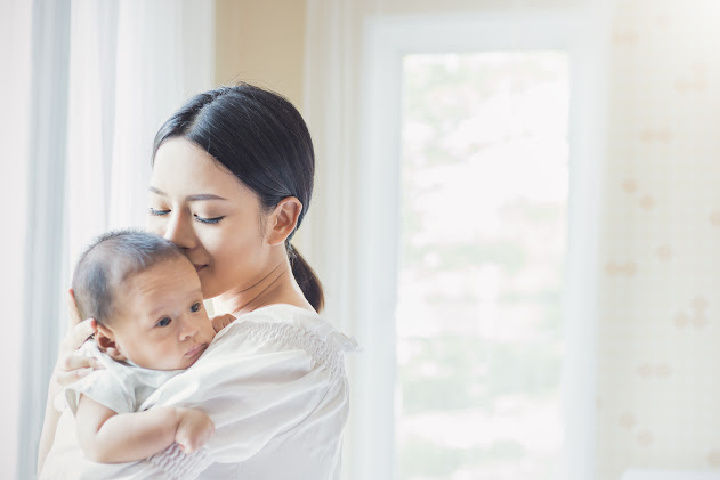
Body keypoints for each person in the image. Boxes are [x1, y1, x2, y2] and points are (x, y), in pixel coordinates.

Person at [37, 84, 355, 479]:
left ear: (281, 220)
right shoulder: (185, 333)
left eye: (207, 216)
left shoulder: (282, 351)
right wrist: (65, 381)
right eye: (159, 208)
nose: (171, 238)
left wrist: (81, 402)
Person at [44, 230, 238, 470]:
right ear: (110, 343)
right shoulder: (107, 373)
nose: (191, 329)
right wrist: (174, 421)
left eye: (195, 306)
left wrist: (216, 327)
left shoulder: (187, 340)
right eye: (164, 321)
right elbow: (97, 441)